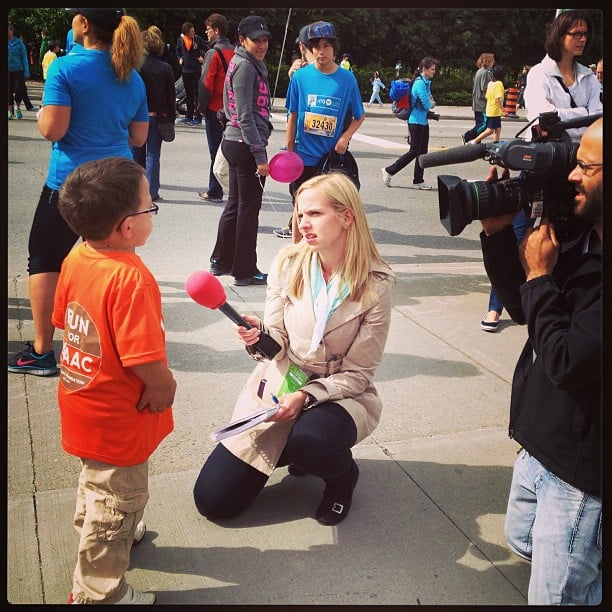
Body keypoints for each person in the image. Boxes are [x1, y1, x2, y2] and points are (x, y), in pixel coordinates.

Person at [194, 171, 394, 525]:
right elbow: (276, 343)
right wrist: (260, 336)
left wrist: (306, 397)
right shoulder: (288, 263)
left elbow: (359, 374)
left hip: (339, 393)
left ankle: (341, 477)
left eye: (314, 214)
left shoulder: (376, 284)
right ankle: (297, 450)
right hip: (281, 383)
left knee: (312, 441)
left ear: (346, 216)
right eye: (300, 214)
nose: (303, 224)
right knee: (212, 501)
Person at [479, 117, 602, 605]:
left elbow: (568, 360)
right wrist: (497, 237)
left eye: (586, 167)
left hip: (580, 470)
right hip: (542, 441)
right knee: (522, 540)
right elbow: (527, 310)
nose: (572, 175)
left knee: (558, 598)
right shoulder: (584, 235)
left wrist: (538, 277)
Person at [53, 157, 176, 605]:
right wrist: (164, 386)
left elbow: (66, 318)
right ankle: (98, 591)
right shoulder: (130, 279)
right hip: (118, 416)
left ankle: (101, 529)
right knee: (116, 500)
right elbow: (142, 358)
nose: (152, 212)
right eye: (150, 207)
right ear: (127, 227)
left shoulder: (78, 254)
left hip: (83, 403)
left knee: (96, 482)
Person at [7, 8, 148, 377]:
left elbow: (53, 129)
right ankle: (118, 348)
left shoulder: (64, 69)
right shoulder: (131, 75)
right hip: (119, 184)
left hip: (71, 185)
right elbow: (139, 137)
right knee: (113, 266)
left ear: (83, 23)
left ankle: (41, 351)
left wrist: (41, 116)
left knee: (44, 258)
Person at [274, 21, 365, 241]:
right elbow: (292, 115)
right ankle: (297, 252)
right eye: (316, 47)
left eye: (326, 46)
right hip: (303, 156)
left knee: (328, 210)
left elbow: (359, 115)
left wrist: (345, 137)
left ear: (335, 48)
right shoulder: (300, 78)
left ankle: (328, 251)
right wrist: (289, 149)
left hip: (330, 158)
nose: (321, 52)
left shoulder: (346, 79)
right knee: (300, 206)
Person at [208, 15, 273, 287]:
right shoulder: (246, 67)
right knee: (249, 209)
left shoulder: (239, 61)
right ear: (242, 40)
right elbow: (245, 116)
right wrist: (260, 155)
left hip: (234, 142)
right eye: (255, 40)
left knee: (235, 205)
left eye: (265, 40)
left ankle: (220, 260)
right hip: (245, 145)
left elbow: (228, 106)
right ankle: (245, 271)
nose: (261, 45)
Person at [524, 9, 601, 142]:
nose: (583, 39)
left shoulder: (590, 78)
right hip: (547, 154)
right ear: (559, 36)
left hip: (582, 155)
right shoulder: (539, 74)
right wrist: (584, 112)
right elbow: (542, 118)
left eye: (585, 34)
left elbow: (598, 121)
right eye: (577, 34)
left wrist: (559, 114)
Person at [130, 28, 176, 202]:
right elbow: (171, 96)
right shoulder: (166, 68)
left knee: (134, 153)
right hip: (158, 116)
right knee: (153, 155)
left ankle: (131, 190)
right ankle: (152, 192)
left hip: (137, 115)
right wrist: (170, 117)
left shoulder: (136, 67)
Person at [381, 56, 440, 190]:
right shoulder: (420, 83)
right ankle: (389, 170)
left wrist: (431, 102)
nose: (433, 72)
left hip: (423, 122)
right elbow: (427, 104)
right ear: (424, 69)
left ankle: (418, 180)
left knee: (422, 153)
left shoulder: (426, 82)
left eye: (434, 69)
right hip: (415, 122)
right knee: (414, 151)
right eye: (432, 69)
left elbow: (429, 101)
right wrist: (432, 103)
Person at [197, 13, 235, 203]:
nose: (206, 32)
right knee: (229, 149)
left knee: (216, 151)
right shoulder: (236, 52)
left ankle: (215, 190)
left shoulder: (213, 53)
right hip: (232, 110)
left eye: (209, 29)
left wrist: (200, 108)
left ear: (217, 30)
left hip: (215, 109)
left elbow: (206, 84)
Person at [176, 21, 208, 125]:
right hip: (186, 70)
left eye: (193, 31)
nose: (193, 33)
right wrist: (180, 58)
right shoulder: (181, 39)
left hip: (196, 70)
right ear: (186, 32)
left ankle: (197, 117)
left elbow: (207, 49)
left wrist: (203, 59)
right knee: (188, 94)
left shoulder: (198, 39)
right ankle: (188, 116)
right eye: (191, 32)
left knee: (196, 94)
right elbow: (178, 50)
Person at [467, 64, 506, 144]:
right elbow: (497, 99)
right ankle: (474, 141)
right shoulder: (499, 84)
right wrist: (503, 110)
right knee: (490, 130)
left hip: (490, 109)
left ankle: (496, 143)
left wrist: (504, 91)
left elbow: (487, 96)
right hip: (494, 111)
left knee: (497, 129)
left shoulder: (491, 83)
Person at [461, 52, 494, 144]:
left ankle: (476, 141)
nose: (493, 63)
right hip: (481, 103)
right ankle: (468, 136)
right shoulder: (484, 73)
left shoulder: (479, 71)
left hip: (476, 101)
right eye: (492, 61)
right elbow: (484, 87)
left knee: (479, 123)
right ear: (488, 61)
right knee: (483, 124)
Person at [8, 21, 30, 120]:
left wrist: (26, 71)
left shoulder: (19, 43)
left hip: (18, 70)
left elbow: (24, 57)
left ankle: (17, 108)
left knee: (19, 90)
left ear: (11, 31)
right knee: (7, 91)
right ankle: (9, 111)